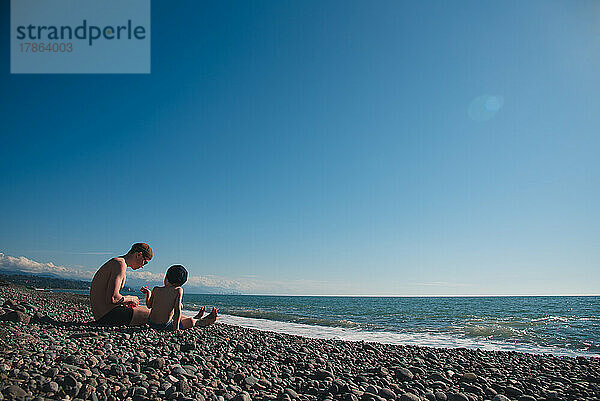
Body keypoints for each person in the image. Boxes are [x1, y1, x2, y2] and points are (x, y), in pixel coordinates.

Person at [90, 243, 153, 326]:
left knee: (148, 310)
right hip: (107, 316)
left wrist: (125, 302)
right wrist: (131, 298)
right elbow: (113, 298)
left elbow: (108, 297)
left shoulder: (118, 263)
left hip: (101, 315)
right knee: (155, 314)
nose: (142, 267)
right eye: (145, 262)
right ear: (138, 255)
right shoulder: (119, 264)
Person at [141, 264, 218, 332]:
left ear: (166, 278)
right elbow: (177, 311)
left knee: (177, 308)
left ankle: (197, 317)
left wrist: (148, 293)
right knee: (190, 321)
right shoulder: (178, 290)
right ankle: (199, 321)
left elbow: (149, 305)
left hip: (151, 323)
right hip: (164, 326)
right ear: (180, 284)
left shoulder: (156, 289)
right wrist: (176, 329)